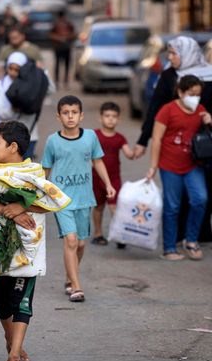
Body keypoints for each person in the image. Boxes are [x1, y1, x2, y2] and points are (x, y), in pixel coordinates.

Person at [0, 121, 70, 361]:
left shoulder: (34, 175)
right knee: (0, 303)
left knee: (21, 301)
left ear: (13, 147)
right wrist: (9, 212)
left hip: (27, 250)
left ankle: (14, 355)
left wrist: (23, 208)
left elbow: (48, 203)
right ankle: (12, 341)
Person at [134, 35, 212, 242]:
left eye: (174, 53)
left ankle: (200, 233)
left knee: (202, 193)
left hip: (204, 144)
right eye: (169, 53)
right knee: (178, 195)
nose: (170, 57)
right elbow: (155, 109)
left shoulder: (209, 74)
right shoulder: (169, 75)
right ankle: (178, 235)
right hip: (174, 143)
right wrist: (143, 140)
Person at [42, 95, 115, 303]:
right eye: (65, 113)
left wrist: (108, 184)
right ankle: (76, 286)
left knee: (81, 244)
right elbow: (45, 169)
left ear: (81, 116)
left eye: (74, 112)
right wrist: (36, 195)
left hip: (84, 199)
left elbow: (98, 161)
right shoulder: (52, 141)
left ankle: (69, 276)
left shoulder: (90, 137)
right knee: (71, 240)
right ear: (59, 117)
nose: (70, 116)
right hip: (61, 200)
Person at [146, 75, 211, 261]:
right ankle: (169, 247)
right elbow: (156, 139)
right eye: (191, 94)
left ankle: (191, 240)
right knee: (172, 206)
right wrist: (153, 166)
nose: (195, 98)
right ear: (181, 92)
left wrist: (209, 120)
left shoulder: (200, 110)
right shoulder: (167, 110)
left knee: (200, 199)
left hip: (193, 164)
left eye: (198, 95)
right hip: (170, 166)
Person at [91, 102, 134, 247]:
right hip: (96, 178)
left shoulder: (120, 138)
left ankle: (120, 235)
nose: (110, 119)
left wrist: (137, 151)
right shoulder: (94, 135)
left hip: (114, 179)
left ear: (119, 119)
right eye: (107, 116)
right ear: (101, 118)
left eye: (114, 116)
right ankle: (98, 234)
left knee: (115, 207)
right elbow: (86, 152)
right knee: (98, 207)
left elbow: (129, 153)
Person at [0, 52, 40, 159]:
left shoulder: (32, 83)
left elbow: (49, 89)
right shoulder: (1, 85)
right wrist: (13, 110)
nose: (13, 73)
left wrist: (41, 74)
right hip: (6, 138)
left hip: (29, 135)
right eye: (11, 68)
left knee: (24, 172)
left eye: (17, 69)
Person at [0, 25, 43, 94]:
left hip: (29, 85)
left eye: (15, 37)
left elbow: (40, 69)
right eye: (11, 38)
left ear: (22, 36)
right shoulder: (5, 50)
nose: (13, 40)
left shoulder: (33, 49)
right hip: (9, 86)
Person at [49, 10, 75, 88]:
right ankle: (57, 82)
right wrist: (59, 38)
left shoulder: (69, 24)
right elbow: (50, 35)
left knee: (67, 65)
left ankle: (65, 82)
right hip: (58, 48)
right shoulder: (55, 25)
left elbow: (74, 34)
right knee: (57, 65)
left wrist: (67, 37)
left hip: (66, 47)